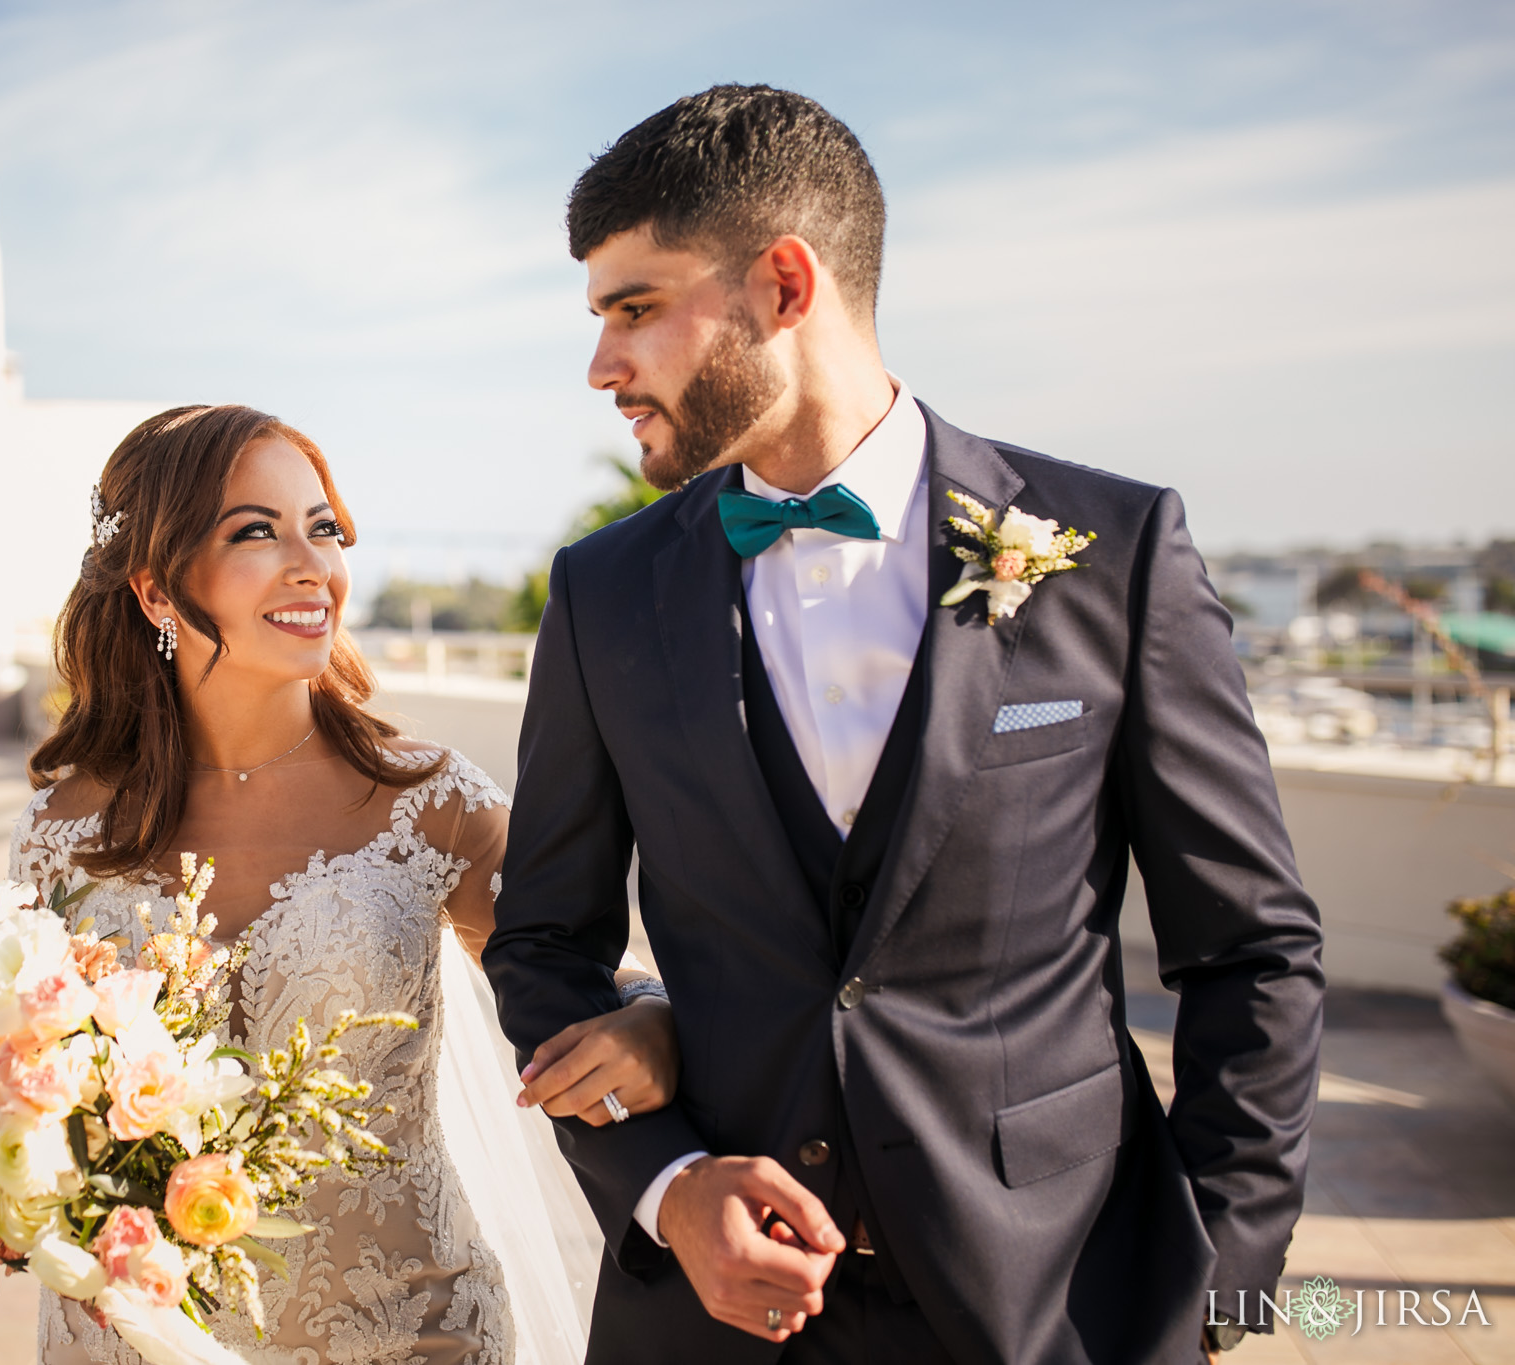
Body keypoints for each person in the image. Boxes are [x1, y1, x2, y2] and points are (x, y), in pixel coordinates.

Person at [484, 86, 1324, 1364]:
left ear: (779, 282)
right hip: (708, 1321)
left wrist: (1219, 1276)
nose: (601, 364)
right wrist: (664, 1184)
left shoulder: (1110, 552)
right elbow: (544, 945)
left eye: (634, 308)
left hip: (1055, 1304)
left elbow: (1247, 949)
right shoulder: (602, 596)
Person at [16, 404, 680, 1365]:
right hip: (131, 1335)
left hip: (412, 1331)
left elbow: (575, 978)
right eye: (256, 531)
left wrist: (652, 1013)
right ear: (157, 589)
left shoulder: (429, 799)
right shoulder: (65, 830)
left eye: (321, 528)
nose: (312, 565)